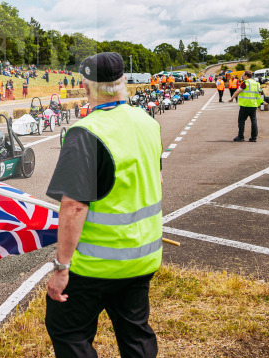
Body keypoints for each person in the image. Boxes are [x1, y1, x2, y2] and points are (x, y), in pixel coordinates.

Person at [45, 52, 163, 358]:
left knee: (68, 332)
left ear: (85, 88)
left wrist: (61, 267)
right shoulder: (148, 123)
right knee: (136, 335)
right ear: (123, 82)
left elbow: (73, 206)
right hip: (142, 258)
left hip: (94, 266)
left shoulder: (85, 132)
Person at [230, 71, 262, 142]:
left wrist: (232, 98)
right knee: (253, 121)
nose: (242, 76)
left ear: (246, 76)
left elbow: (238, 91)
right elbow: (259, 92)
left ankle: (241, 137)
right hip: (253, 104)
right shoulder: (256, 83)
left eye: (243, 75)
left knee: (241, 121)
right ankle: (254, 138)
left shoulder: (246, 82)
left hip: (245, 105)